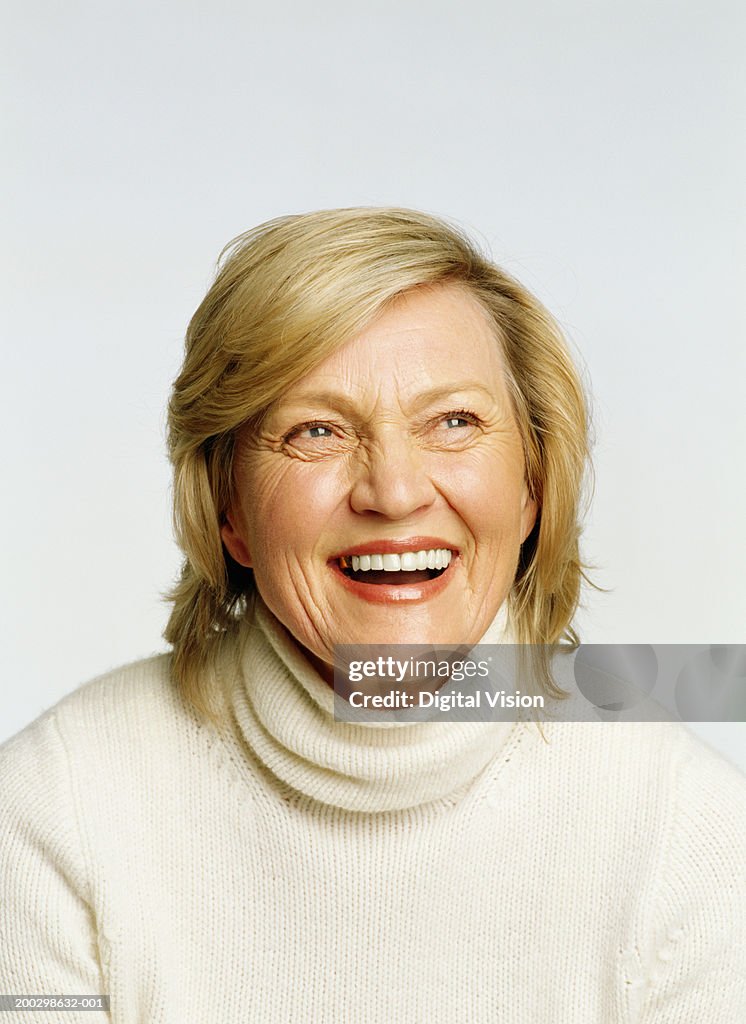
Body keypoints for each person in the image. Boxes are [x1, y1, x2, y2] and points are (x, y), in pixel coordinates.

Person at [1, 207, 744, 1022]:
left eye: (453, 423)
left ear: (533, 484)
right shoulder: (54, 808)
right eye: (317, 431)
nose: (392, 492)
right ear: (228, 506)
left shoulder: (693, 833)